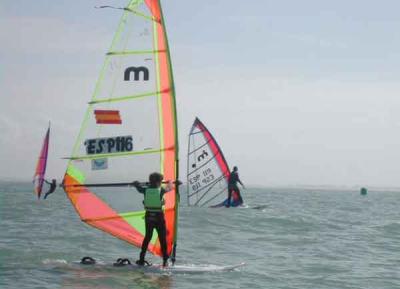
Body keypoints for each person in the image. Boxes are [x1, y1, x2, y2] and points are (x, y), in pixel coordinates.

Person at [132, 173, 173, 267]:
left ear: (150, 181)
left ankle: (141, 259)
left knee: (147, 238)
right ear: (159, 182)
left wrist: (136, 184)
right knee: (162, 239)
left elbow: (138, 188)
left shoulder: (145, 190)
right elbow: (170, 188)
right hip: (159, 217)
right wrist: (171, 182)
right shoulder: (161, 190)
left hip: (149, 217)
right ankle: (165, 261)